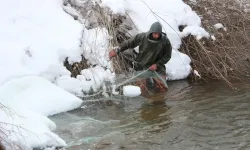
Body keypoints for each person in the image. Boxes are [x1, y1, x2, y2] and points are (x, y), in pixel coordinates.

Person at [109, 21, 172, 92]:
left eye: (158, 34)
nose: (156, 36)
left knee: (162, 90)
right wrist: (117, 50)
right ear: (151, 32)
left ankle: (158, 101)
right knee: (142, 90)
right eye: (155, 34)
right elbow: (129, 43)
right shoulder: (142, 37)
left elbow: (167, 56)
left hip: (158, 68)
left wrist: (157, 65)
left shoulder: (165, 41)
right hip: (143, 67)